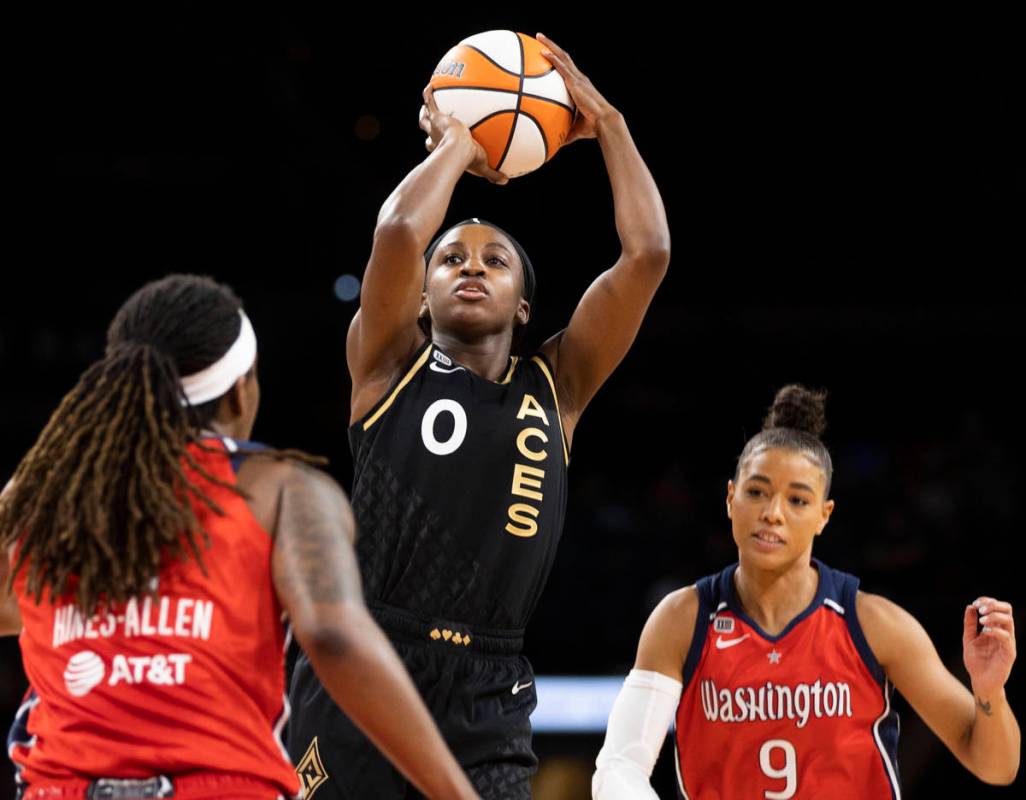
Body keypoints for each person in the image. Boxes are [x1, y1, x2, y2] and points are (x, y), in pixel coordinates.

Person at [288, 32, 671, 799]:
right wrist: (460, 144)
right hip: (369, 655)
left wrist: (613, 126)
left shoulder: (557, 385)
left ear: (524, 305)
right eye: (452, 258)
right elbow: (399, 232)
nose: (470, 266)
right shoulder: (386, 363)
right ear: (422, 297)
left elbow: (647, 255)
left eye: (494, 261)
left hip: (490, 685)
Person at [0, 274, 478, 800]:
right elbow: (332, 634)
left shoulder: (37, 497)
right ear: (239, 389)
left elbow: (10, 609)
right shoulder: (281, 488)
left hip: (58, 787)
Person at [591, 384, 1020, 798]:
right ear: (730, 499)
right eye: (757, 492)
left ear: (824, 515)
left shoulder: (874, 624)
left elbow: (996, 766)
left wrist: (989, 692)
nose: (773, 513)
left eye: (797, 500)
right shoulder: (682, 620)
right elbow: (620, 766)